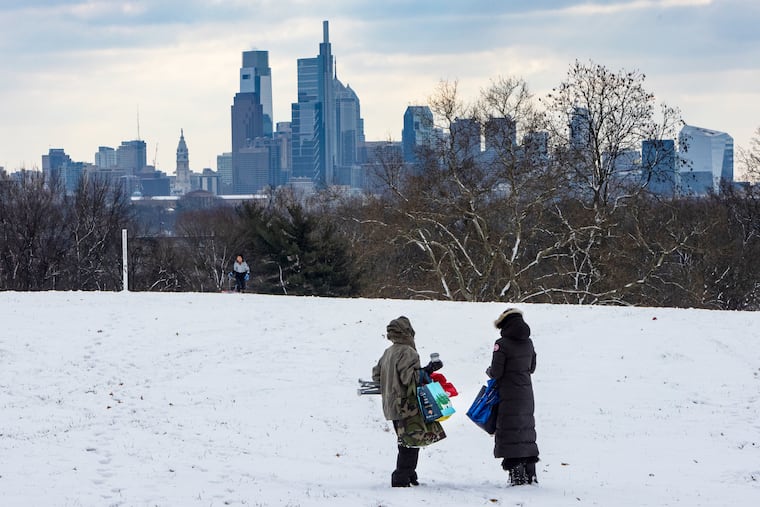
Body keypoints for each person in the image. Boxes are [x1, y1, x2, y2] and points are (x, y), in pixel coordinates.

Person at [372, 316, 444, 487]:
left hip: (391, 404)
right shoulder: (408, 352)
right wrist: (428, 370)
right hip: (407, 405)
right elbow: (409, 379)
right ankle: (401, 477)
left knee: (407, 440)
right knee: (410, 442)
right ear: (408, 332)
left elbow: (376, 375)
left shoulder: (388, 352)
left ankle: (410, 474)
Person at [487, 308, 539, 486]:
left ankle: (516, 475)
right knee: (526, 431)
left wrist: (489, 371)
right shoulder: (529, 342)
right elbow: (531, 367)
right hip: (526, 394)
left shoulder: (501, 343)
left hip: (508, 394)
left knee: (510, 432)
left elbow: (496, 372)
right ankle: (530, 475)